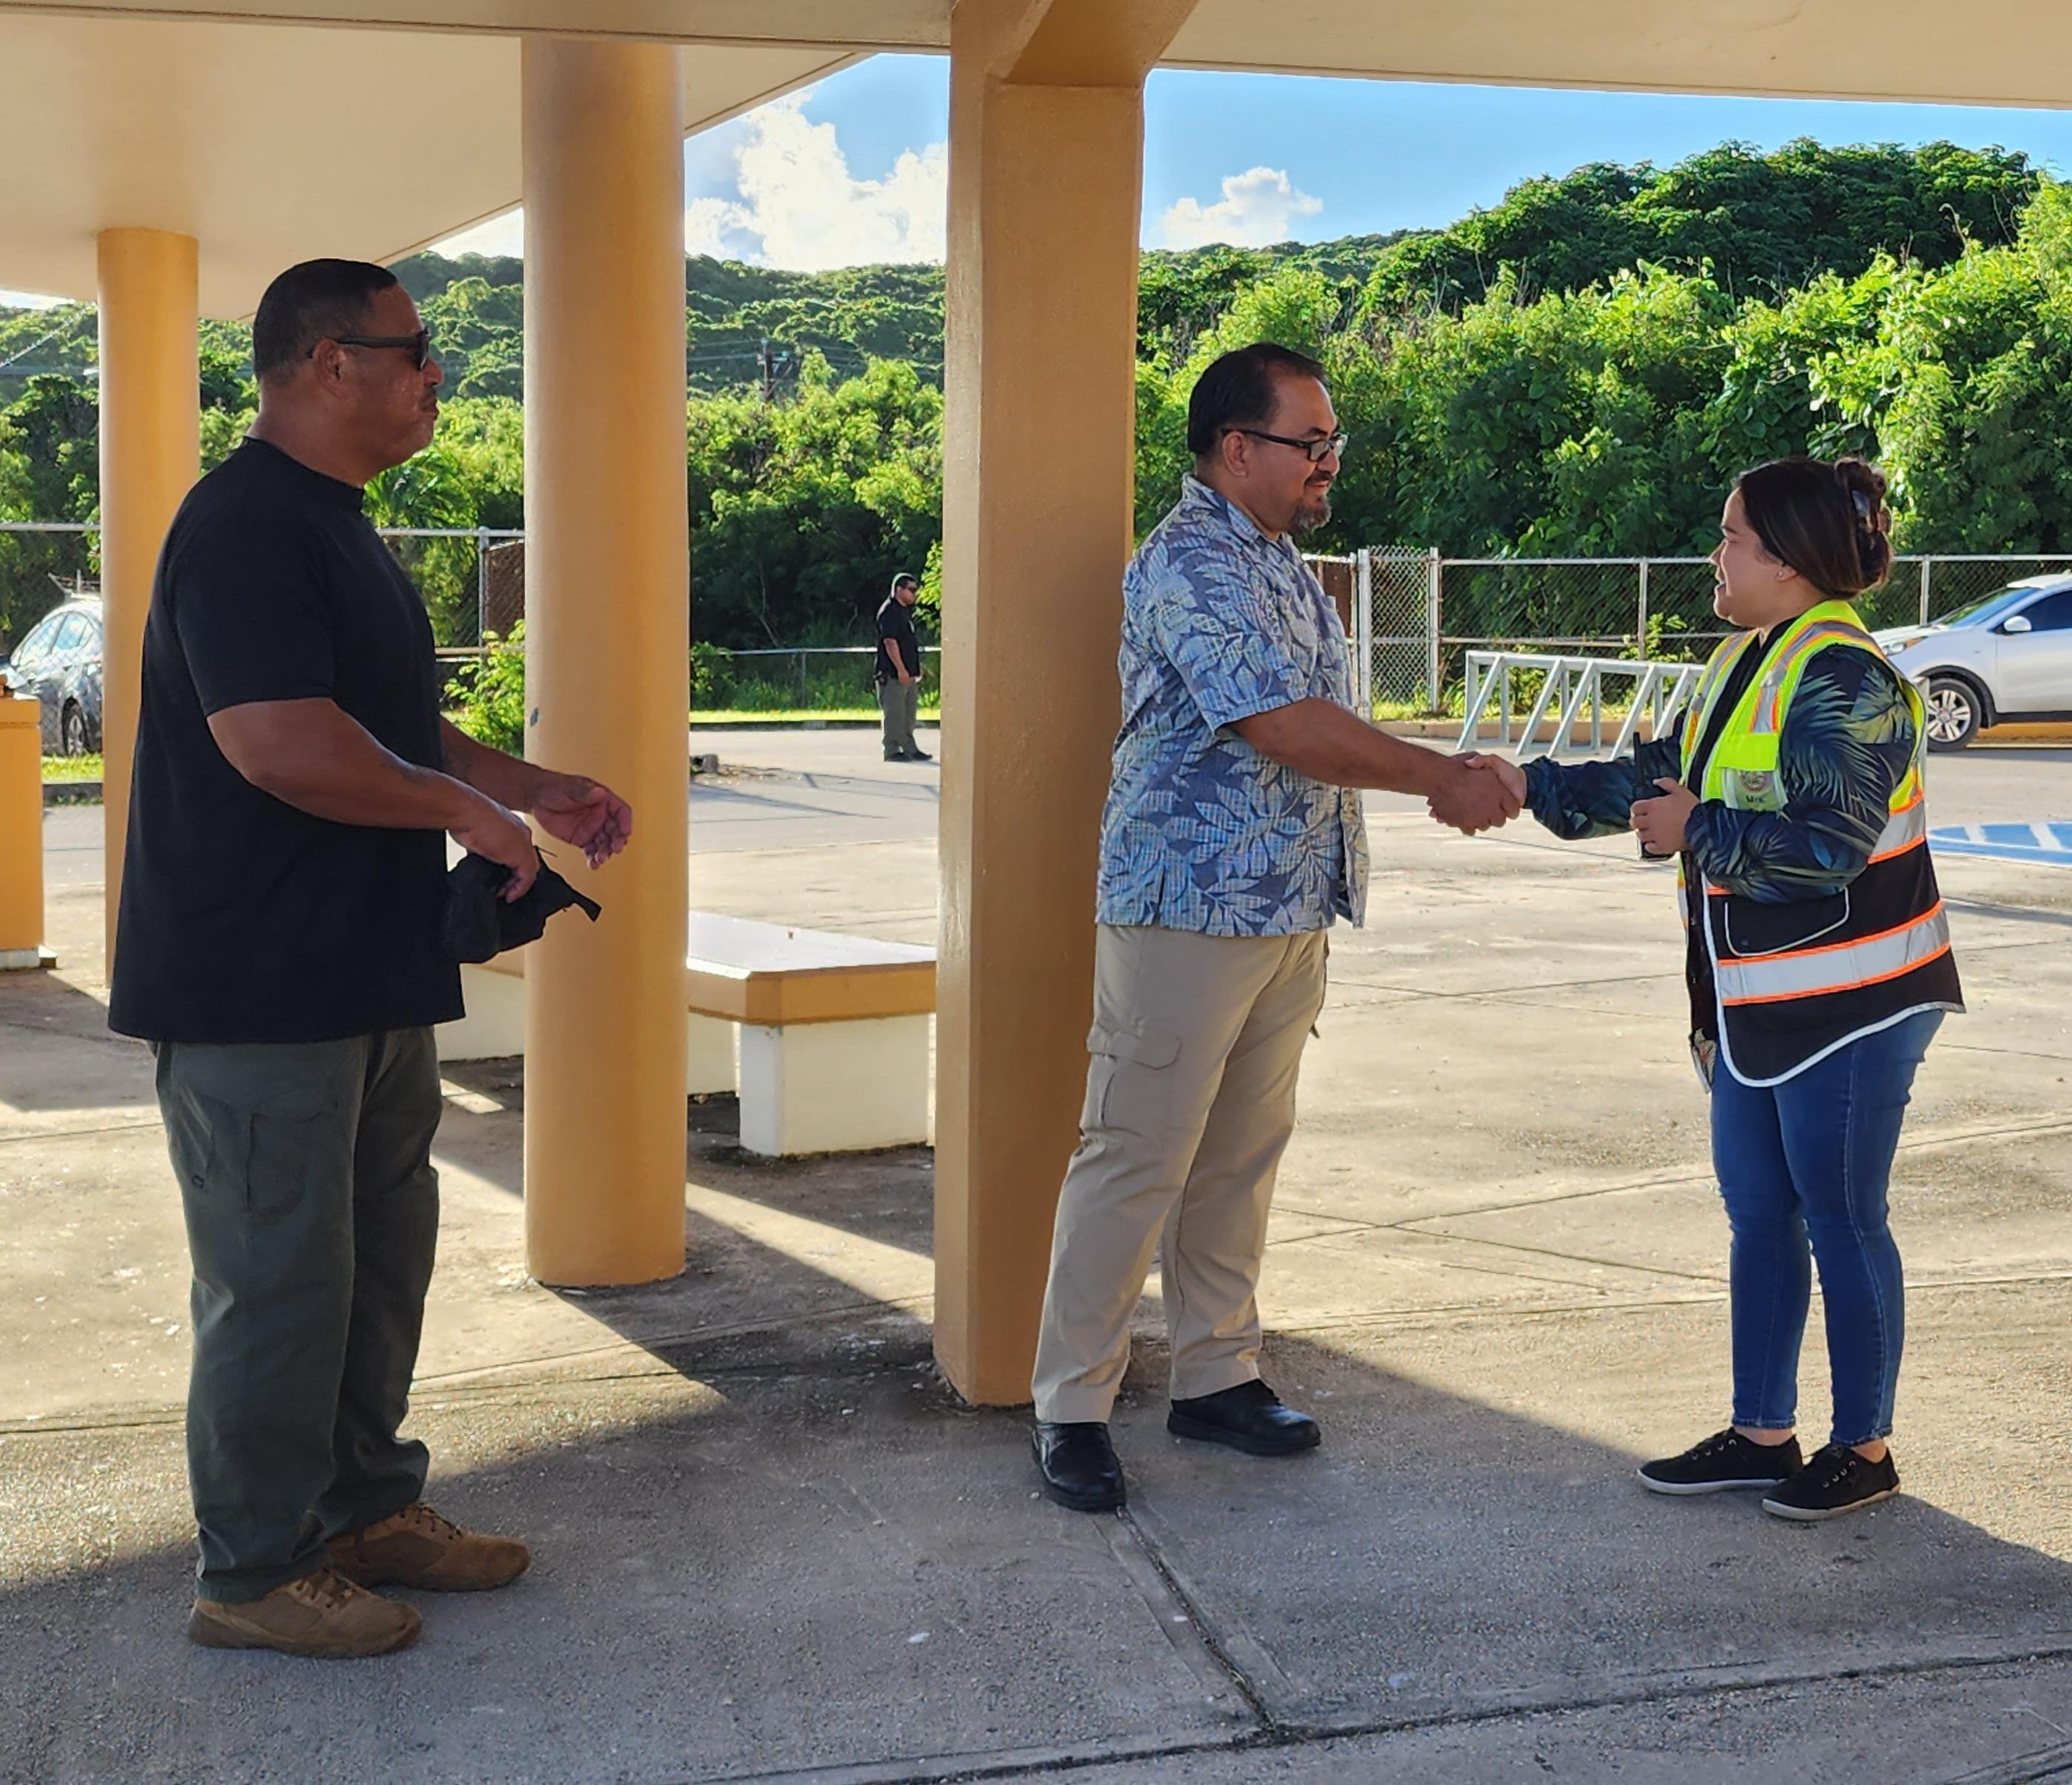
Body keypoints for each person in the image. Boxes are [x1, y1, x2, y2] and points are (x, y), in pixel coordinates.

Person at [109, 258, 633, 1657]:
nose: (434, 379)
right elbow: (274, 739)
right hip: (255, 987)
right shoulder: (240, 527)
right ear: (328, 361)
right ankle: (252, 1570)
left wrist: (529, 787)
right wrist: (463, 810)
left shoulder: (337, 529)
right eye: (417, 354)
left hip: (360, 973)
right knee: (279, 1278)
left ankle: (360, 1509)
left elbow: (390, 727)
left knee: (372, 1262)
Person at [1028, 341, 1520, 1513]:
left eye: (1331, 441)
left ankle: (1216, 1374)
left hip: (1287, 904)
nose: (1328, 462)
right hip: (1186, 907)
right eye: (1310, 442)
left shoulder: (1281, 562)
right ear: (1235, 447)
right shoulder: (1191, 561)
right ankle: (1070, 1406)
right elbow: (1280, 724)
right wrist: (1439, 777)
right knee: (1135, 1154)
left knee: (1239, 1155)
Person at [1467, 456, 1962, 1522]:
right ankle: (1762, 1433)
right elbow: (1666, 774)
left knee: (1841, 1218)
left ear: (1785, 561)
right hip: (1756, 1004)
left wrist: (1699, 831)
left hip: (1853, 1000)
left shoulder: (1847, 679)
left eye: (1730, 536)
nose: (1716, 554)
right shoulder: (1754, 655)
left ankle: (1864, 1447)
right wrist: (1531, 784)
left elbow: (1826, 846)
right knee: (1760, 1213)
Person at [874, 572, 930, 762]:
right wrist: (901, 669)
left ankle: (909, 748)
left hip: (908, 672)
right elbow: (890, 642)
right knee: (894, 713)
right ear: (899, 589)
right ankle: (891, 750)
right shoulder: (889, 611)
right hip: (892, 674)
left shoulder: (903, 612)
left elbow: (908, 643)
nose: (915, 594)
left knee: (908, 713)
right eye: (912, 590)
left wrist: (915, 668)